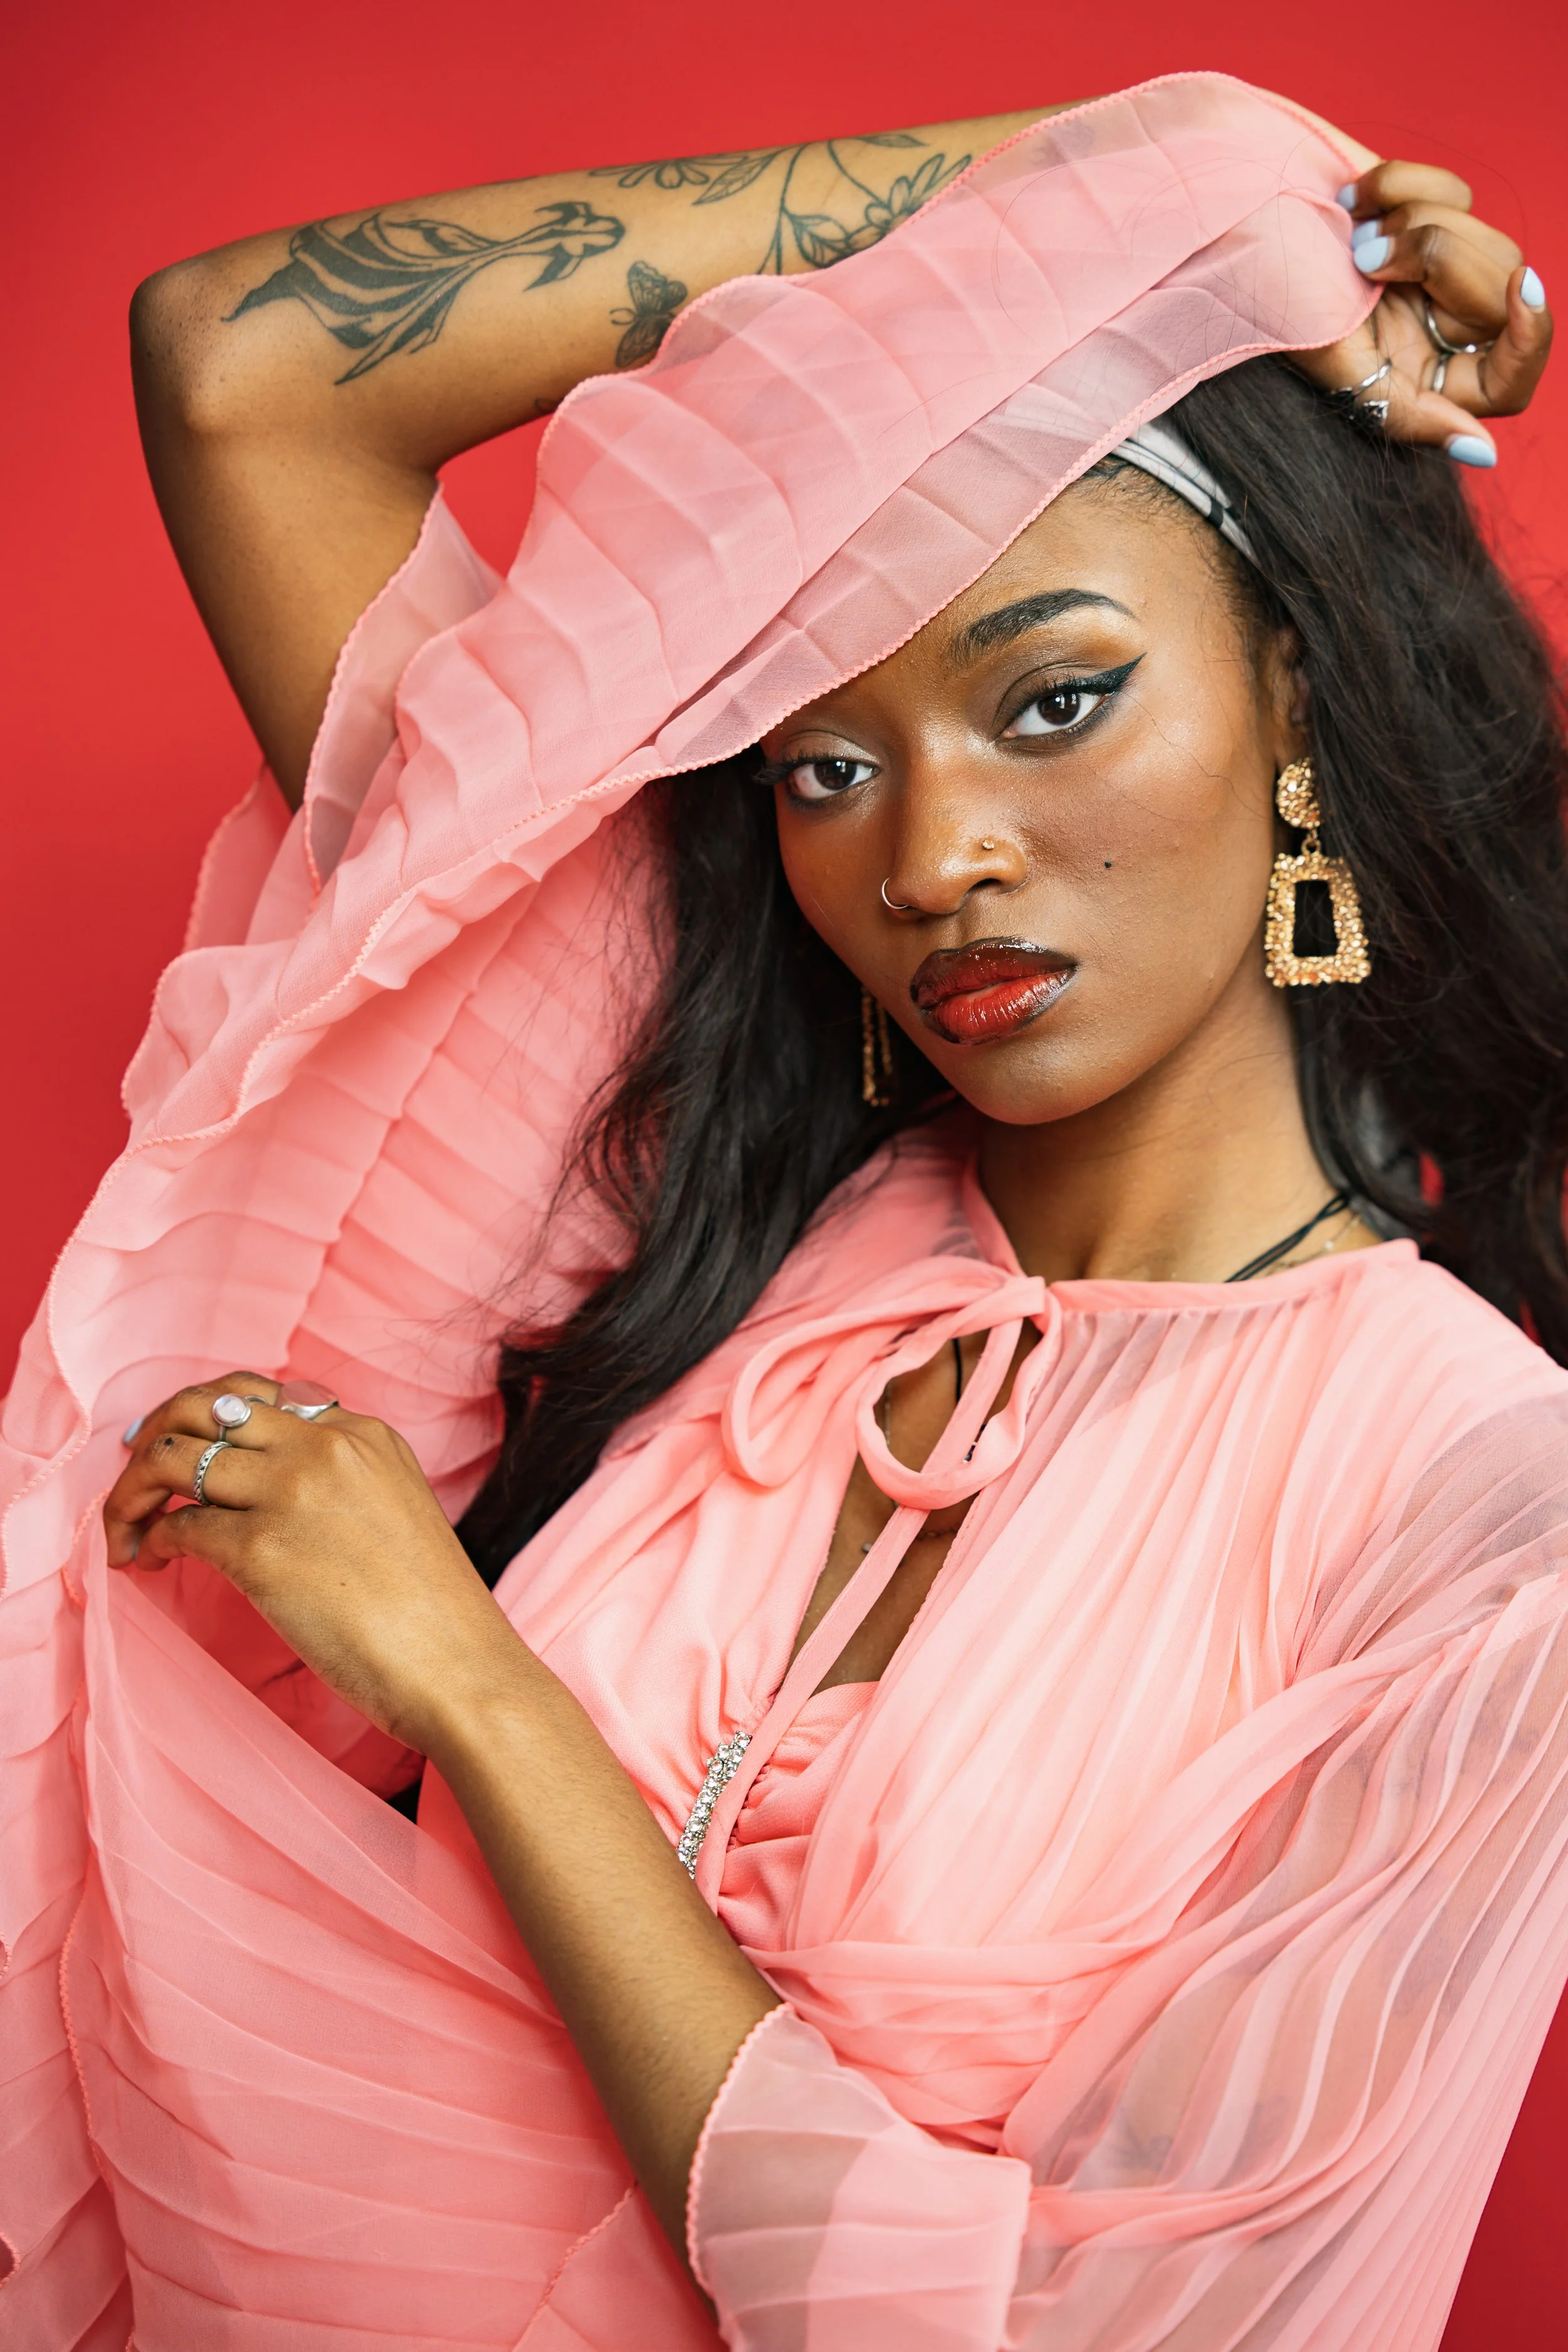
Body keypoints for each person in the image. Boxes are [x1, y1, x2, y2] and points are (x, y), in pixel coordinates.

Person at [2, 71, 1563, 2352]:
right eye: (828, 762)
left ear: (1293, 699)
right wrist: (1196, 193)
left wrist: (469, 1678)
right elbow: (245, 366)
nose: (929, 854)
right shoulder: (686, 1166)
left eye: (1052, 699)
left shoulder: (1482, 1507)